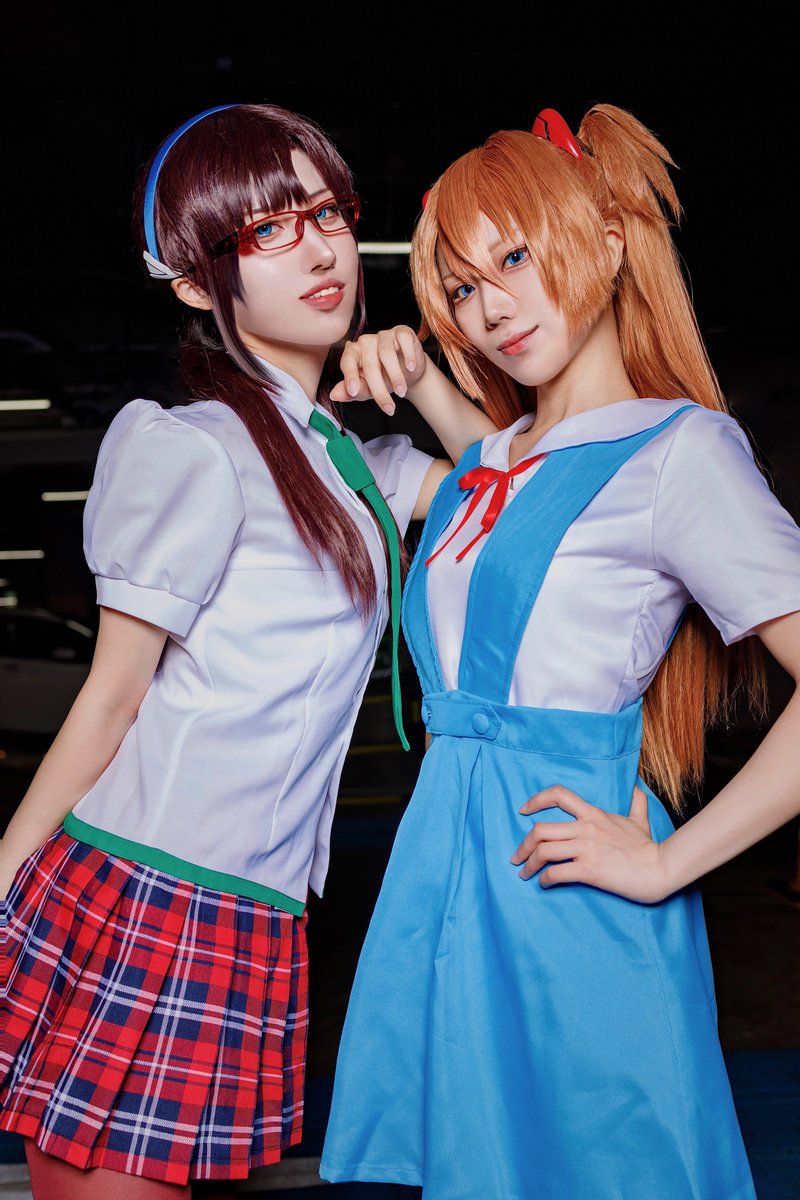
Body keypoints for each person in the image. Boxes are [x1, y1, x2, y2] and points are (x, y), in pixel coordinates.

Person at [0, 102, 496, 1199]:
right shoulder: (194, 448)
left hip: (256, 909)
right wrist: (2, 887)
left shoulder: (360, 468)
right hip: (145, 887)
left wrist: (422, 380)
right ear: (193, 283)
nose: (319, 249)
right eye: (266, 229)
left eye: (326, 213)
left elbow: (514, 491)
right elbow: (111, 700)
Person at [320, 105, 800, 1198]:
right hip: (447, 869)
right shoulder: (494, 458)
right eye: (460, 288)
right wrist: (416, 376)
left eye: (515, 258)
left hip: (570, 880)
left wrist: (669, 862)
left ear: (609, 243)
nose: (491, 306)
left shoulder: (682, 454)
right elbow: (515, 493)